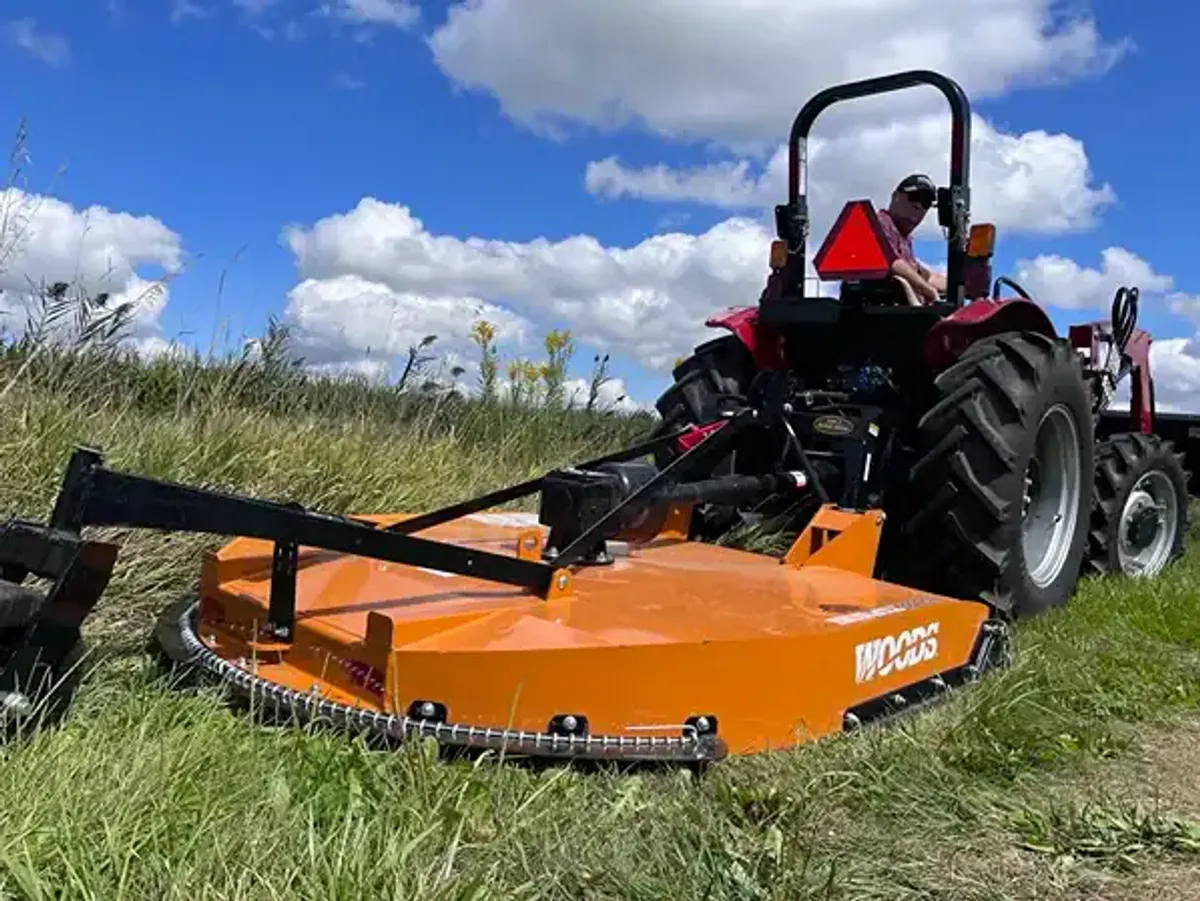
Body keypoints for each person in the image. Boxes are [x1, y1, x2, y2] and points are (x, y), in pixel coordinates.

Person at [876, 173, 946, 305]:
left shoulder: (904, 240)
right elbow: (891, 262)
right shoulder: (879, 222)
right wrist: (929, 291)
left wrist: (963, 284)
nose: (919, 206)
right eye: (914, 197)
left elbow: (927, 277)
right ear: (895, 196)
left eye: (926, 202)